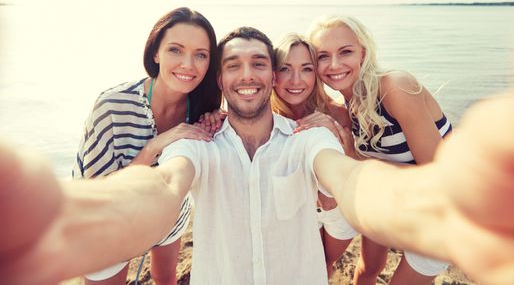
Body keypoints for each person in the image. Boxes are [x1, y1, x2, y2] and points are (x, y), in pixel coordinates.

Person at [1, 27, 514, 285]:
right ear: (219, 81)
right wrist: (74, 218)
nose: (247, 74)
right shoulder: (197, 140)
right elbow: (163, 188)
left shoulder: (309, 136)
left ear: (271, 77)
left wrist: (424, 206)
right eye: (233, 66)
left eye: (257, 65)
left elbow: (350, 180)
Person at [73, 7, 222, 284]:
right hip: (107, 221)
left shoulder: (203, 107)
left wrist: (216, 121)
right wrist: (153, 148)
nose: (188, 64)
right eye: (175, 50)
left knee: (165, 279)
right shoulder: (112, 106)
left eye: (200, 55)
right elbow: (91, 194)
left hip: (168, 214)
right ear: (156, 53)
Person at [307, 15, 452, 284]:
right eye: (322, 56)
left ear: (362, 53)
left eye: (345, 52)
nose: (334, 64)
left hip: (440, 215)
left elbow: (440, 177)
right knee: (366, 270)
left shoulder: (394, 87)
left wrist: (354, 158)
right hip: (394, 203)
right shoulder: (347, 106)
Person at [270, 32, 357, 277]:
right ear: (273, 74)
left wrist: (336, 135)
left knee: (323, 267)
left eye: (306, 69)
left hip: (338, 211)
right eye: (285, 68)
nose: (296, 79)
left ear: (316, 74)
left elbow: (356, 168)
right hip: (297, 210)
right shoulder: (264, 117)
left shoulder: (339, 114)